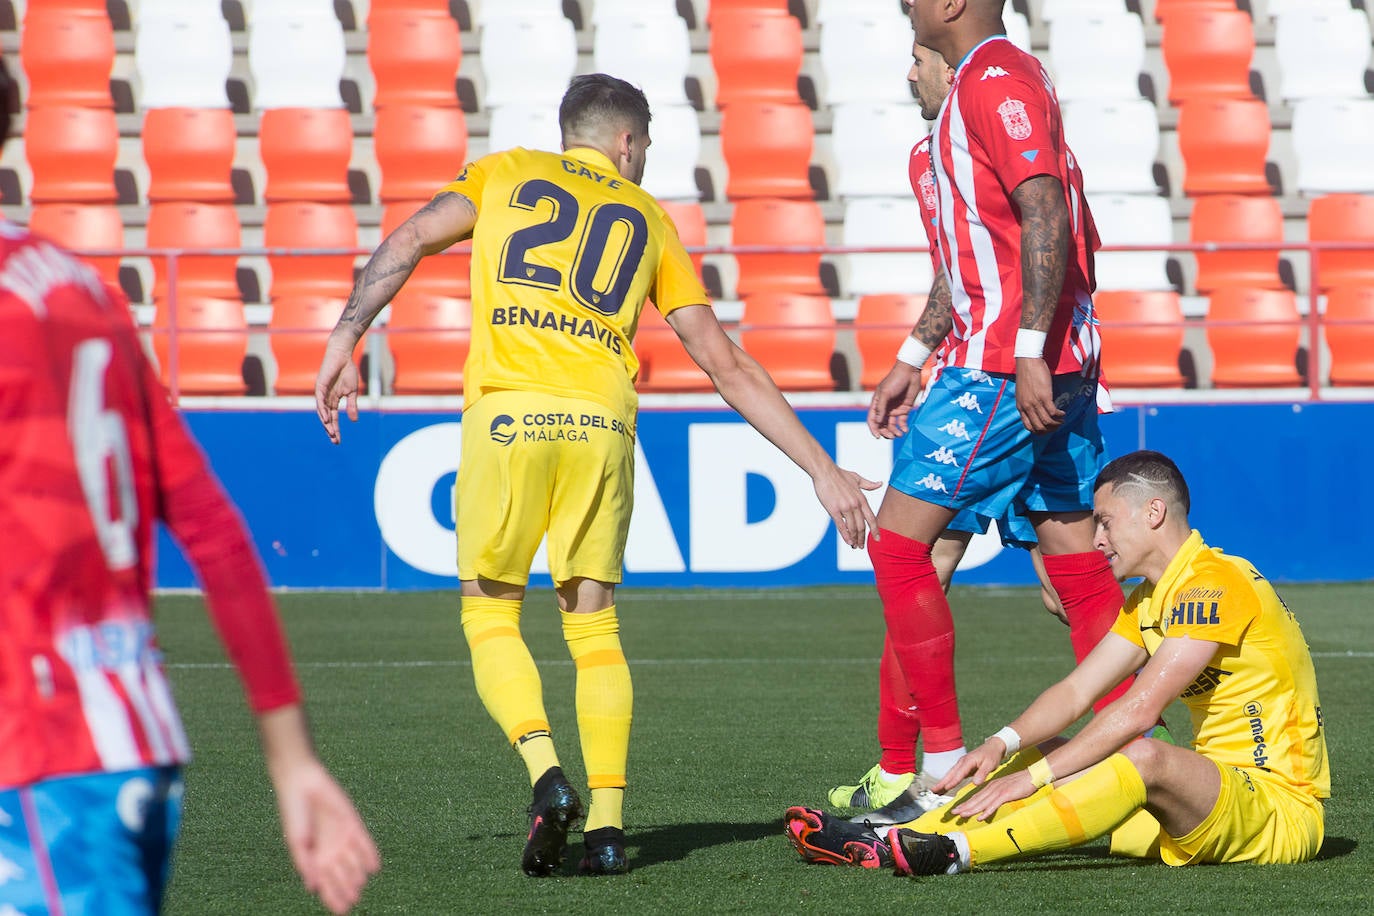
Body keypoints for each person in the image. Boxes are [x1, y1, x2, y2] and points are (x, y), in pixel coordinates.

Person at [314, 74, 879, 877]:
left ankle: (547, 776)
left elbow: (405, 241)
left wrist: (344, 341)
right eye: (645, 146)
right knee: (593, 629)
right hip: (601, 426)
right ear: (626, 142)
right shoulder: (647, 217)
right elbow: (722, 361)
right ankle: (609, 832)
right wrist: (821, 468)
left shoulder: (502, 172)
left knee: (489, 615)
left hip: (508, 418)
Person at [0, 56, 379, 914]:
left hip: (35, 751)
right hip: (126, 737)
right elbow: (211, 526)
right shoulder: (81, 287)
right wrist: (291, 758)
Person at [831, 6, 1136, 820]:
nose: (907, 47)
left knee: (901, 551)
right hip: (1035, 355)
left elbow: (1047, 213)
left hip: (1005, 366)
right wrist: (906, 360)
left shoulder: (996, 78)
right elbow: (970, 268)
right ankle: (1129, 762)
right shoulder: (969, 99)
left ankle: (934, 771)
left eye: (915, 25)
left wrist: (1029, 345)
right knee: (1074, 560)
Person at [786, 450, 1330, 876]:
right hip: (1211, 803)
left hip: (1277, 811)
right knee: (1043, 745)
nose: (1096, 539)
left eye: (1106, 522)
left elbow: (1140, 711)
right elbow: (1075, 693)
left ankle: (952, 850)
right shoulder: (1151, 600)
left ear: (1154, 512)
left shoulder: (1212, 581)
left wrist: (1036, 781)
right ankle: (895, 836)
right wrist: (1002, 742)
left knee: (1140, 755)